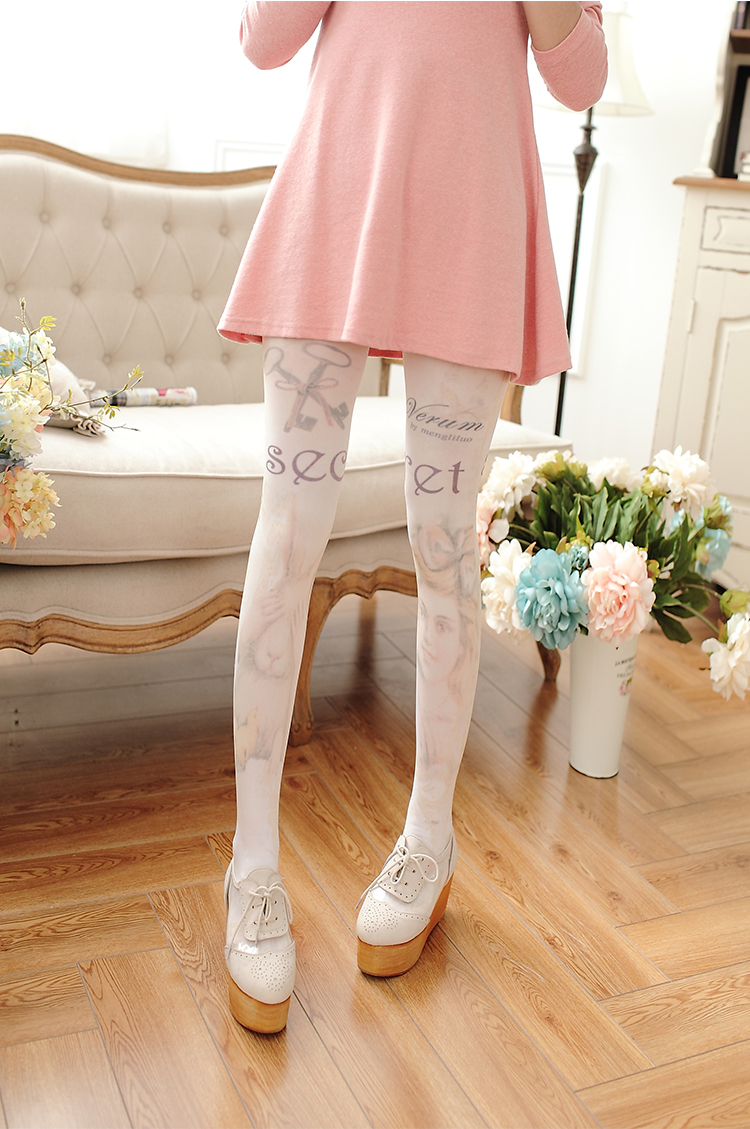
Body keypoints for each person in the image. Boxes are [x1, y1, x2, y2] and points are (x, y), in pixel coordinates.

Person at [218, 0, 607, 1034]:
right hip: (335, 202)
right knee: (285, 537)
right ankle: (251, 866)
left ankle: (429, 838)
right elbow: (262, 40)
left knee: (443, 550)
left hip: (470, 218)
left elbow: (580, 77)